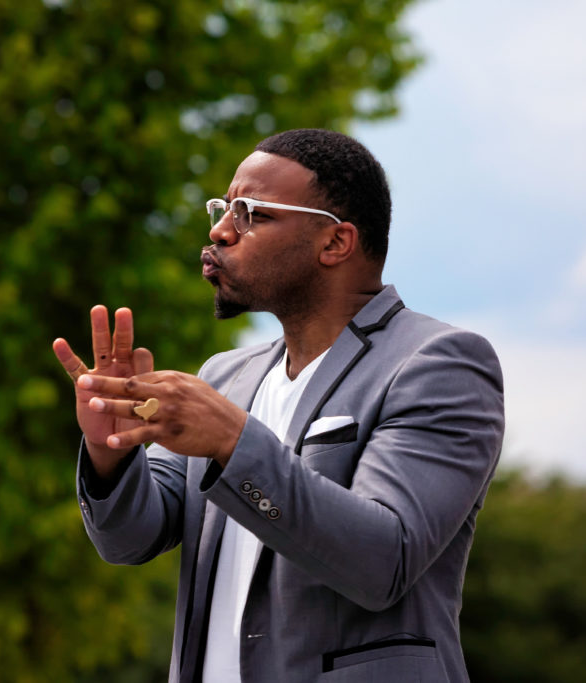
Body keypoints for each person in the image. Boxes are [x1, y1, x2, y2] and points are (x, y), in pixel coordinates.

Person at [53, 129, 505, 682]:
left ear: (335, 243)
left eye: (251, 214)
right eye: (223, 209)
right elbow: (129, 540)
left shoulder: (438, 365)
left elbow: (382, 560)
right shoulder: (225, 376)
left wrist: (233, 442)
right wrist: (111, 451)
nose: (220, 230)